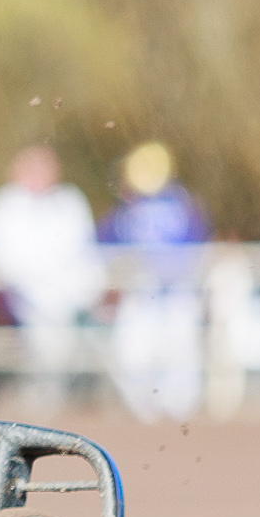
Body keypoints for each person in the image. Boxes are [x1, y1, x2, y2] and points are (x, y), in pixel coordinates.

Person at [99, 140, 210, 422]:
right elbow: (107, 244)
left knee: (181, 349)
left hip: (177, 289)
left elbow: (198, 244)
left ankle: (178, 413)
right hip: (141, 290)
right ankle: (146, 412)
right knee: (134, 352)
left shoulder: (181, 203)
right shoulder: (128, 206)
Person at [0, 143, 100, 390]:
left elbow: (83, 253)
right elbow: (5, 262)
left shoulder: (69, 201)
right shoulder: (3, 205)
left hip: (71, 299)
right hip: (24, 302)